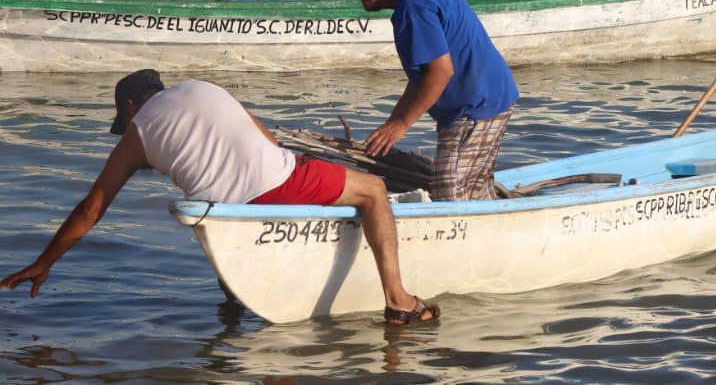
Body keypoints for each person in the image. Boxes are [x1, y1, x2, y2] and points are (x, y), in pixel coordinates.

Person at [0, 70, 439, 326]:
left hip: (229, 214)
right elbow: (263, 137)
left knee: (223, 220)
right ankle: (398, 300)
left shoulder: (135, 137)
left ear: (132, 106)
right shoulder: (203, 87)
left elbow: (91, 208)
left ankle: (234, 305)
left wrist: (45, 262)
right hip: (280, 183)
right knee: (374, 189)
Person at [338, 0, 518, 201]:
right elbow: (423, 74)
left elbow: (440, 72)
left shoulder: (414, 5)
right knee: (472, 191)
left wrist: (401, 124)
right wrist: (392, 121)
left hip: (476, 107)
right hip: (485, 99)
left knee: (449, 193)